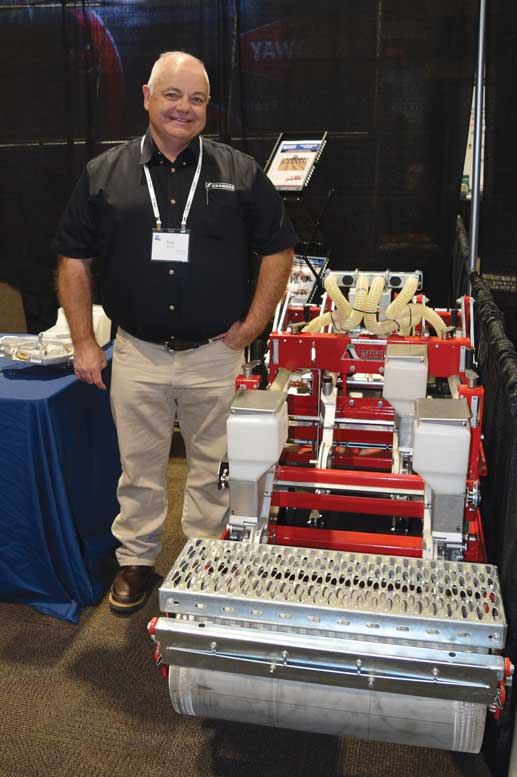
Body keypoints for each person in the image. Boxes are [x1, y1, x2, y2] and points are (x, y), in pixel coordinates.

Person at [53, 51, 296, 615]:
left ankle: (203, 562)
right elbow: (73, 258)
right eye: (172, 95)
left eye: (197, 99)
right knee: (138, 467)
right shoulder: (104, 173)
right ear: (146, 96)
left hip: (215, 353)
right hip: (137, 352)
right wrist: (85, 342)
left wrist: (254, 324)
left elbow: (278, 250)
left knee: (214, 468)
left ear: (208, 108)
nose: (184, 108)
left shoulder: (239, 172)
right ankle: (136, 560)